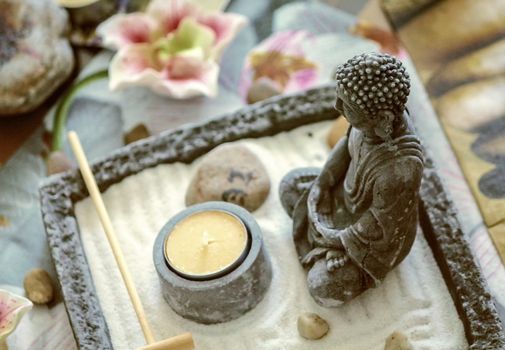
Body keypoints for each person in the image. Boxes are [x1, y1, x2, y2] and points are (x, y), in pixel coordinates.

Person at [279, 52, 424, 307]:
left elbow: (379, 226)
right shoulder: (367, 125)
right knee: (290, 185)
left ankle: (333, 255)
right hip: (343, 195)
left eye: (347, 106)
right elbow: (347, 143)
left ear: (383, 120)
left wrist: (338, 241)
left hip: (370, 238)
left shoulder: (400, 170)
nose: (336, 107)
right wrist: (324, 181)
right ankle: (323, 241)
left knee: (323, 286)